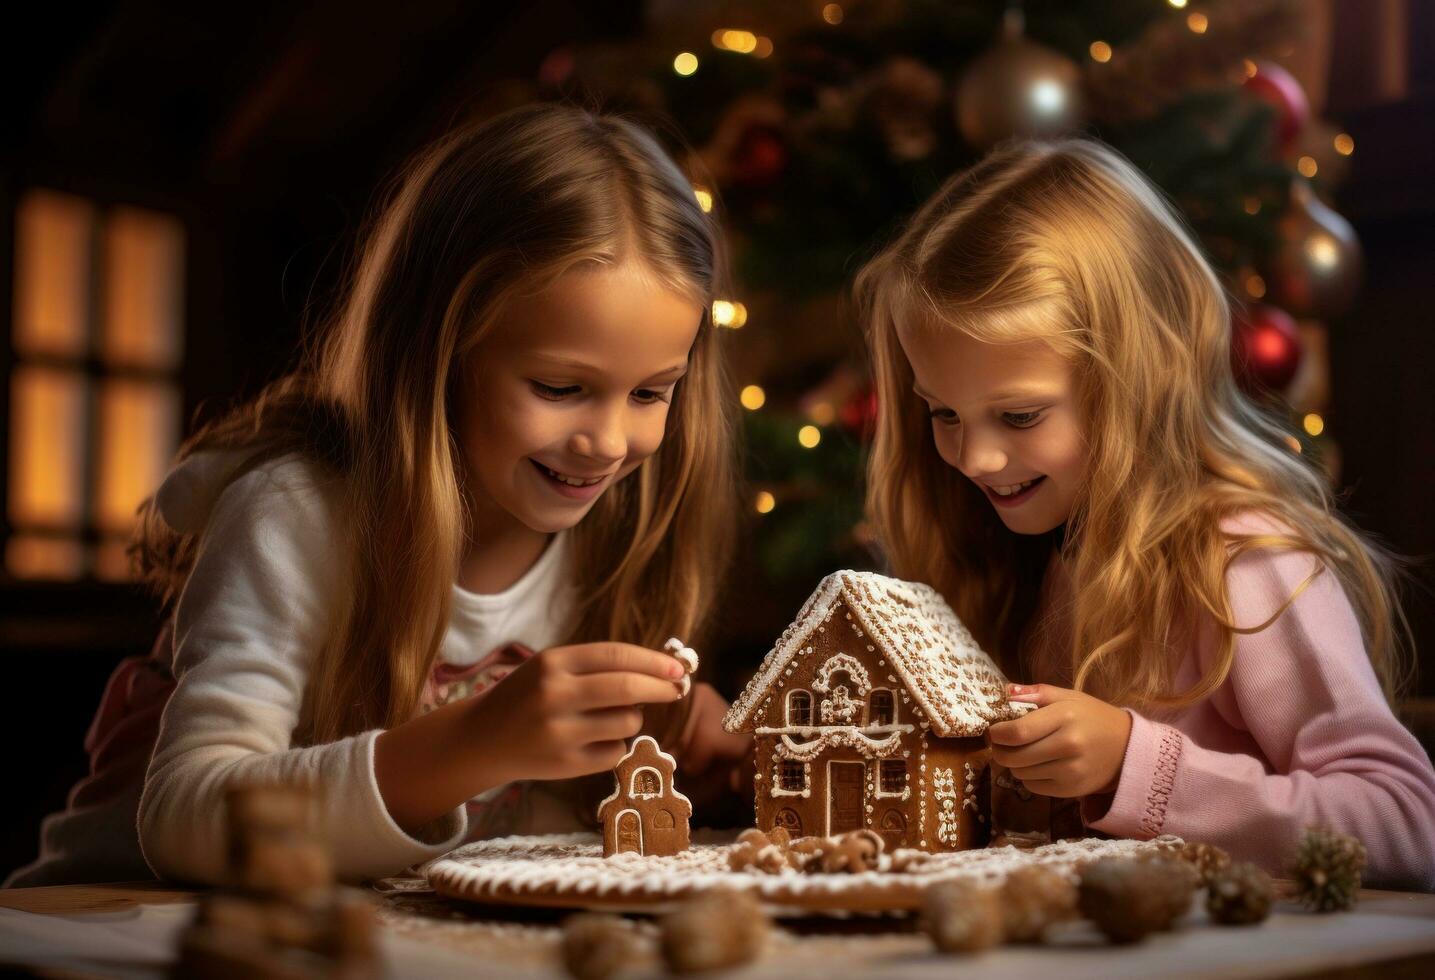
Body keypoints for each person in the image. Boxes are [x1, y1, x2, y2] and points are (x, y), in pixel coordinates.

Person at [7, 103, 748, 887]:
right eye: (560, 387)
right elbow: (183, 819)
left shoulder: (619, 538)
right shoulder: (297, 514)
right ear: (436, 351)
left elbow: (505, 849)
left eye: (650, 393)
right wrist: (469, 746)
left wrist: (643, 760)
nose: (605, 441)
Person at [857, 138, 1435, 889]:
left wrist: (1136, 765)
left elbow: (1405, 824)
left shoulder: (1243, 562)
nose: (975, 459)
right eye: (942, 413)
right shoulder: (1023, 560)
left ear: (1136, 377)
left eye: (1021, 415)